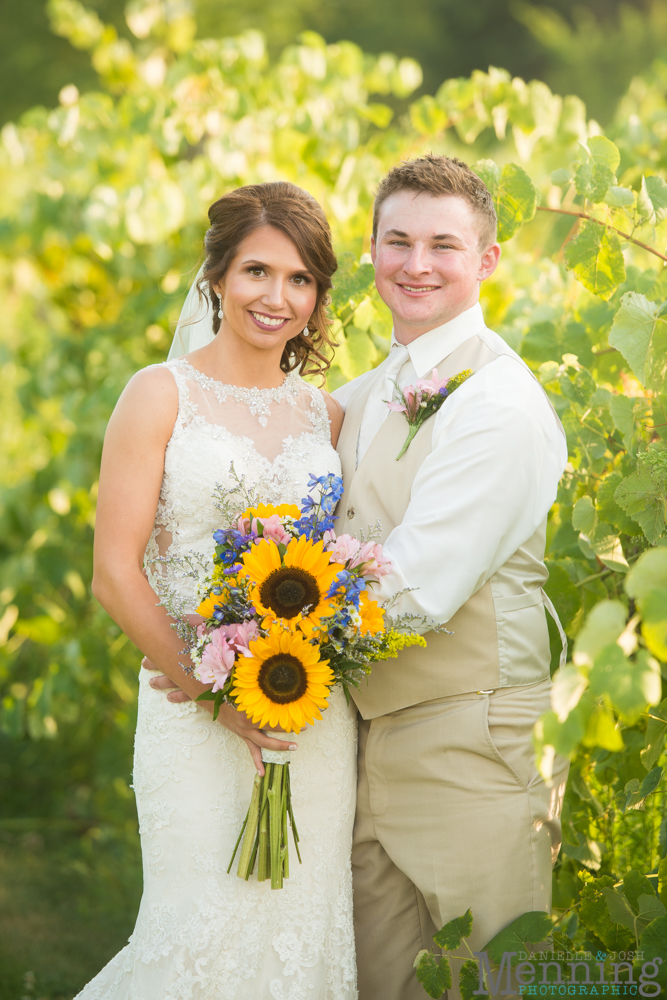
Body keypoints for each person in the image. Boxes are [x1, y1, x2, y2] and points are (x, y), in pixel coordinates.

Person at [80, 181, 358, 1000]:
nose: (277, 298)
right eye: (257, 272)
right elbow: (113, 572)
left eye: (300, 279)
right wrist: (214, 693)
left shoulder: (325, 416)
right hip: (185, 706)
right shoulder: (158, 394)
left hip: (305, 713)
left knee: (299, 930)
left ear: (317, 297)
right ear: (216, 277)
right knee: (193, 924)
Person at [331, 154, 570, 1000]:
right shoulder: (361, 396)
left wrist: (258, 632)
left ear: (487, 260)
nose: (417, 263)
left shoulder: (497, 404)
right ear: (371, 250)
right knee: (379, 985)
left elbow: (416, 586)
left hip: (475, 742)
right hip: (364, 744)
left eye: (443, 243)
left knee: (494, 982)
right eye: (397, 241)